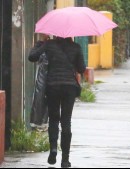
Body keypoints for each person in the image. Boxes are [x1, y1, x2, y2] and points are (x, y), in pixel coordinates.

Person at [29, 36, 86, 168]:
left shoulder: (49, 45)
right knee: (66, 121)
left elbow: (32, 57)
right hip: (69, 87)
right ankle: (65, 160)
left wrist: (40, 44)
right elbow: (82, 69)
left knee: (54, 119)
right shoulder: (76, 47)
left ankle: (53, 149)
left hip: (52, 86)